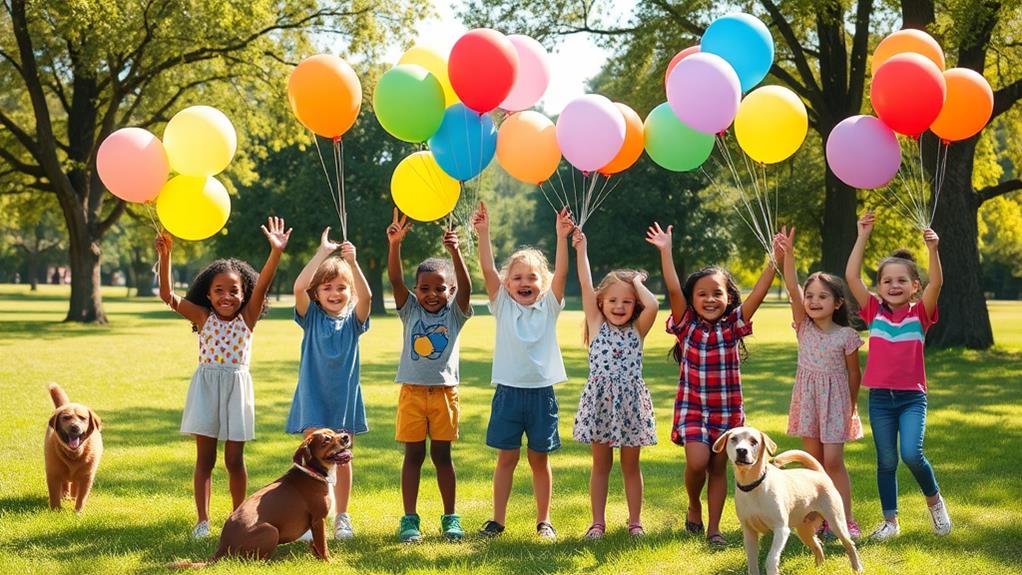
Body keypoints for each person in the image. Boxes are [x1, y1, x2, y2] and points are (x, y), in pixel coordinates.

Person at [155, 216, 291, 539]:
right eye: (219, 291)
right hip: (207, 389)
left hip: (236, 390)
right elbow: (167, 295)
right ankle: (202, 521)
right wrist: (165, 256)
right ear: (209, 293)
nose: (226, 296)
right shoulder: (203, 317)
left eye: (234, 291)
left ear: (244, 294)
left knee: (234, 459)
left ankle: (238, 517)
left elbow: (264, 282)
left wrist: (276, 252)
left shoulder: (248, 318)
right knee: (205, 458)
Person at [646, 221, 776, 548]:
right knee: (697, 462)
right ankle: (693, 503)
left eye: (717, 293)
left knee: (719, 469)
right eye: (701, 294)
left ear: (729, 296)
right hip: (692, 409)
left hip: (728, 413)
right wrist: (666, 251)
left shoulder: (733, 325)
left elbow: (758, 292)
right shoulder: (686, 324)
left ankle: (714, 529)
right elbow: (674, 290)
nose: (709, 299)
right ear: (692, 299)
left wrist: (775, 259)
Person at [845, 212, 951, 541]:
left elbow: (937, 283)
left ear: (914, 286)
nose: (894, 285)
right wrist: (862, 235)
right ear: (879, 286)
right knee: (887, 460)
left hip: (911, 398)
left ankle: (935, 502)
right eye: (887, 281)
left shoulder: (921, 313)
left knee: (911, 454)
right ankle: (891, 522)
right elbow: (851, 277)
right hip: (880, 399)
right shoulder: (873, 311)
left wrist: (932, 250)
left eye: (902, 280)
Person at [472, 201, 572, 541]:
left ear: (542, 284)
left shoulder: (549, 306)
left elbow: (561, 274)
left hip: (542, 396)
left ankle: (544, 521)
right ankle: (497, 520)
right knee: (506, 459)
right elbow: (486, 270)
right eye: (516, 277)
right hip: (508, 394)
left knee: (539, 461)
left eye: (531, 277)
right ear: (507, 283)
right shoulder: (502, 305)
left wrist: (561, 237)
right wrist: (483, 234)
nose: (524, 282)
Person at [386, 209, 472, 543]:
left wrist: (455, 253)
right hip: (411, 393)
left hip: (444, 394)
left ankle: (450, 517)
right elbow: (395, 280)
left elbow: (465, 286)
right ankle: (410, 520)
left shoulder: (456, 315)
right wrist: (394, 245)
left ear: (450, 292)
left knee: (442, 457)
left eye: (440, 289)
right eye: (424, 288)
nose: (431, 294)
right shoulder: (410, 310)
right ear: (416, 290)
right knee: (413, 456)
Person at [776, 226, 863, 539]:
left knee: (833, 461)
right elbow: (791, 285)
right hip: (808, 401)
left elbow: (854, 374)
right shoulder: (803, 326)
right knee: (814, 464)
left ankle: (847, 518)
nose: (813, 301)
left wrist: (851, 405)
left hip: (836, 402)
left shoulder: (847, 336)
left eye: (822, 296)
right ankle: (818, 520)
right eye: (810, 296)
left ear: (837, 303)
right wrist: (789, 254)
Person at [571, 228, 659, 539]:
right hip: (601, 403)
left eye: (627, 301)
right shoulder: (595, 324)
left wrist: (636, 282)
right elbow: (584, 282)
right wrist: (581, 248)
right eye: (613, 300)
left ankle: (635, 522)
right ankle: (598, 523)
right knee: (601, 465)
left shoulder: (638, 328)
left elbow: (654, 306)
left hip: (632, 403)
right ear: (601, 302)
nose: (619, 306)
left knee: (631, 466)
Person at [287, 226, 372, 540]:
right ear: (317, 293)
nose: (334, 294)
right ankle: (309, 517)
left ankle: (342, 517)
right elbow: (298, 287)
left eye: (341, 288)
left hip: (344, 400)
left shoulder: (354, 322)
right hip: (313, 396)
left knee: (343, 458)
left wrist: (353, 263)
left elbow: (368, 296)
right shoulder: (311, 317)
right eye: (327, 288)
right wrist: (323, 253)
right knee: (312, 460)